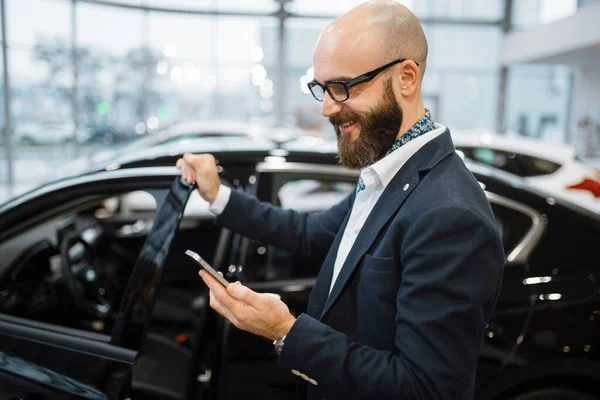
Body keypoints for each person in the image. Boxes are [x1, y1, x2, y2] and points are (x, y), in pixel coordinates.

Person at [176, 1, 505, 399]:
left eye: (343, 87)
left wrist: (286, 331)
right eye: (322, 88)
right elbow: (309, 233)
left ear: (406, 78)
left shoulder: (450, 215)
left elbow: (425, 388)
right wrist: (218, 195)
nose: (328, 107)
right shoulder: (389, 173)